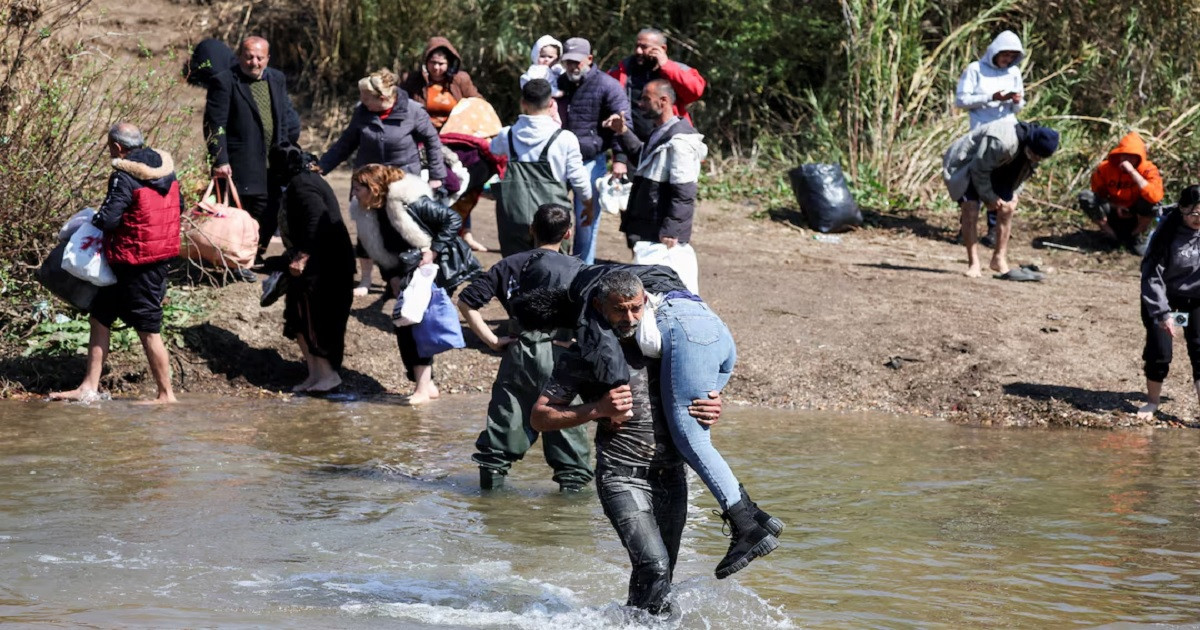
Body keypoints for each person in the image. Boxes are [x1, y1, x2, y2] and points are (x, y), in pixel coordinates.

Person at [513, 265, 782, 579]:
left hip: (672, 478)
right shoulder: (583, 355)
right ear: (599, 307)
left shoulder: (669, 346)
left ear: (647, 303)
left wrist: (712, 400)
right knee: (653, 568)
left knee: (662, 576)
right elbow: (539, 416)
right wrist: (597, 409)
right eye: (619, 311)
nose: (629, 319)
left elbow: (697, 390)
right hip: (622, 476)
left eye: (635, 309)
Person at [458, 205, 592, 491]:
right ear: (568, 233)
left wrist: (492, 341)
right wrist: (578, 345)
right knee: (568, 441)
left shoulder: (510, 264)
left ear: (531, 229)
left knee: (500, 437)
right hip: (562, 356)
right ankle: (569, 517)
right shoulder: (580, 270)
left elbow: (467, 302)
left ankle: (490, 505)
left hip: (519, 354)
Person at [50, 123, 182, 403]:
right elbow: (177, 207)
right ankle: (89, 386)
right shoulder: (167, 171)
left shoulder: (124, 176)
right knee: (100, 316)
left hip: (136, 263)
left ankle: (166, 395)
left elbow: (109, 218)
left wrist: (92, 220)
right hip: (146, 259)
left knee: (148, 327)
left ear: (118, 147)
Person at [350, 164, 478, 404]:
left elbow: (451, 219)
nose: (354, 194)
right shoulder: (368, 211)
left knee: (416, 324)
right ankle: (426, 385)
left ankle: (422, 388)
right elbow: (380, 250)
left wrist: (434, 251)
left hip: (433, 265)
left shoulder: (409, 200)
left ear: (374, 188)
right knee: (404, 324)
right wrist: (392, 278)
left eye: (358, 189)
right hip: (405, 269)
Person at [318, 69, 447, 297]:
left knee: (401, 231)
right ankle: (366, 279)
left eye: (366, 96)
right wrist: (322, 166)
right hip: (367, 182)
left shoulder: (413, 111)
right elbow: (345, 143)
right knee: (366, 231)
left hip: (401, 183)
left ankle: (401, 278)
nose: (361, 100)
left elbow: (432, 142)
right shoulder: (362, 112)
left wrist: (437, 175)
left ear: (383, 97)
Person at [203, 36, 301, 268]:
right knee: (245, 212)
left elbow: (283, 118)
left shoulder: (276, 78)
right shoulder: (224, 81)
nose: (253, 62)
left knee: (272, 209)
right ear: (239, 57)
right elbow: (215, 125)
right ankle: (237, 260)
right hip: (241, 161)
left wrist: (286, 148)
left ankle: (254, 255)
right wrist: (220, 160)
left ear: (267, 58)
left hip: (273, 161)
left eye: (259, 57)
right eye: (248, 56)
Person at [278, 146, 356, 393]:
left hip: (324, 266)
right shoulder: (308, 180)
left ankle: (327, 375)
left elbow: (316, 217)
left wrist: (302, 256)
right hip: (327, 262)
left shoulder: (302, 185)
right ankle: (315, 374)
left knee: (316, 319)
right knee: (298, 317)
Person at [942, 119, 1060, 279]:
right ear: (1030, 144)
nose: (1036, 159)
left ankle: (999, 258)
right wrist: (990, 198)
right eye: (1035, 155)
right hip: (968, 164)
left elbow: (1022, 175)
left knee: (1008, 207)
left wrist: (1012, 195)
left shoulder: (1036, 151)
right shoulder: (1002, 141)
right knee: (970, 207)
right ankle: (974, 263)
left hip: (997, 167)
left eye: (1040, 158)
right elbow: (979, 169)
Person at [490, 79, 593, 256]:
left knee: (515, 271)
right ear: (551, 103)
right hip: (553, 220)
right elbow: (579, 179)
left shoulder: (506, 135)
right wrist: (588, 204)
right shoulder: (565, 138)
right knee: (554, 272)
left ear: (523, 103)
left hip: (514, 216)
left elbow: (493, 149)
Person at [605, 79, 707, 251]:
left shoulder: (679, 141)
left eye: (646, 99)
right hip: (650, 224)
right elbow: (644, 159)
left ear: (663, 101)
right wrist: (623, 131)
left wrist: (672, 230)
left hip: (662, 232)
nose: (640, 103)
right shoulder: (661, 131)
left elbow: (684, 191)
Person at [556, 37, 632, 264]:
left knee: (586, 219)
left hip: (590, 160)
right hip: (559, 160)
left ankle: (583, 269)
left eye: (577, 62)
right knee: (555, 214)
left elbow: (623, 123)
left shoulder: (607, 85)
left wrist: (620, 158)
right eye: (568, 62)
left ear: (589, 59)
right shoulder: (560, 82)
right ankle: (555, 266)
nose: (572, 66)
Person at [955, 30, 1026, 247]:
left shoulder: (1013, 72)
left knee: (1003, 179)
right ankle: (967, 228)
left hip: (1007, 133)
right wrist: (991, 98)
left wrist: (1015, 100)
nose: (1008, 60)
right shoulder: (975, 70)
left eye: (1013, 56)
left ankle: (995, 228)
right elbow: (961, 100)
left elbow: (1019, 106)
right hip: (981, 132)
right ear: (995, 51)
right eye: (1005, 55)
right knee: (976, 177)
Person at [1137, 186, 1200, 420]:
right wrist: (1163, 314)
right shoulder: (1166, 232)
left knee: (1199, 348)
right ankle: (1152, 402)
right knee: (1160, 352)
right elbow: (1152, 276)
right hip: (1163, 300)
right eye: (1193, 213)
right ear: (1182, 209)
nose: (1198, 219)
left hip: (1194, 300)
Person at [608, 28, 706, 142]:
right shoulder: (622, 71)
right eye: (637, 46)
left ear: (662, 48)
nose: (639, 51)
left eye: (644, 47)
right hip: (631, 145)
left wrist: (666, 66)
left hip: (671, 140)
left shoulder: (677, 70)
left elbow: (695, 92)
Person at [1080, 131, 1165, 254]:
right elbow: (1099, 196)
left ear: (1140, 157)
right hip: (1114, 210)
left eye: (1132, 156)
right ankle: (1110, 235)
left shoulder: (1148, 170)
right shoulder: (1105, 169)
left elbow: (1155, 197)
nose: (1127, 159)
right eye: (1124, 155)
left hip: (1136, 213)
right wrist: (1116, 206)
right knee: (1086, 196)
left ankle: (1136, 237)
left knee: (1153, 203)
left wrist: (1132, 172)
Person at [400, 37, 482, 131]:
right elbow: (400, 106)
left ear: (448, 64)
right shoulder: (412, 80)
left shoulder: (461, 80)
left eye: (441, 63)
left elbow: (478, 103)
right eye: (433, 62)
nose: (436, 67)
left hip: (456, 132)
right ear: (426, 61)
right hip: (422, 132)